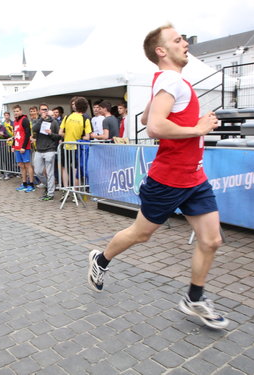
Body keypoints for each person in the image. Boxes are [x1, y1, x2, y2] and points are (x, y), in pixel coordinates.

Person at [88, 24, 228, 330]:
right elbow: (153, 127)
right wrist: (198, 129)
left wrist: (180, 119)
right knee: (141, 233)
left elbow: (143, 117)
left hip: (194, 177)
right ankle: (101, 259)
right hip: (168, 179)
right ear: (161, 51)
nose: (185, 43)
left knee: (211, 239)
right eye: (177, 40)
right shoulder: (169, 79)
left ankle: (194, 299)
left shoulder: (170, 81)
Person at [59, 96, 92, 200]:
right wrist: (79, 137)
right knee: (75, 170)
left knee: (65, 168)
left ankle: (66, 190)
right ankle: (76, 193)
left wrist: (68, 135)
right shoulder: (85, 118)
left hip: (66, 146)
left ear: (75, 106)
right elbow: (87, 137)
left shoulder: (67, 117)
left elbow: (60, 132)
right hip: (78, 148)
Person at [32, 104, 61, 201]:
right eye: (42, 110)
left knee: (50, 172)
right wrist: (41, 119)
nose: (44, 111)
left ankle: (51, 193)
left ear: (48, 110)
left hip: (50, 149)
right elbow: (34, 129)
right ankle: (48, 186)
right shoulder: (37, 121)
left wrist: (51, 133)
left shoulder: (54, 122)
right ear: (39, 111)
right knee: (38, 171)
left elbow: (58, 136)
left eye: (45, 109)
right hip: (39, 150)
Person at [12, 105, 35, 192]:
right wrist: (13, 146)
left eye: (17, 111)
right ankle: (24, 183)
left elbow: (27, 134)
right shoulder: (15, 122)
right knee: (21, 165)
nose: (16, 113)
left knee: (27, 165)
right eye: (14, 111)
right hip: (17, 147)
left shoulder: (24, 120)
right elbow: (15, 135)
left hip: (24, 147)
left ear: (21, 111)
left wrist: (24, 147)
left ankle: (31, 184)